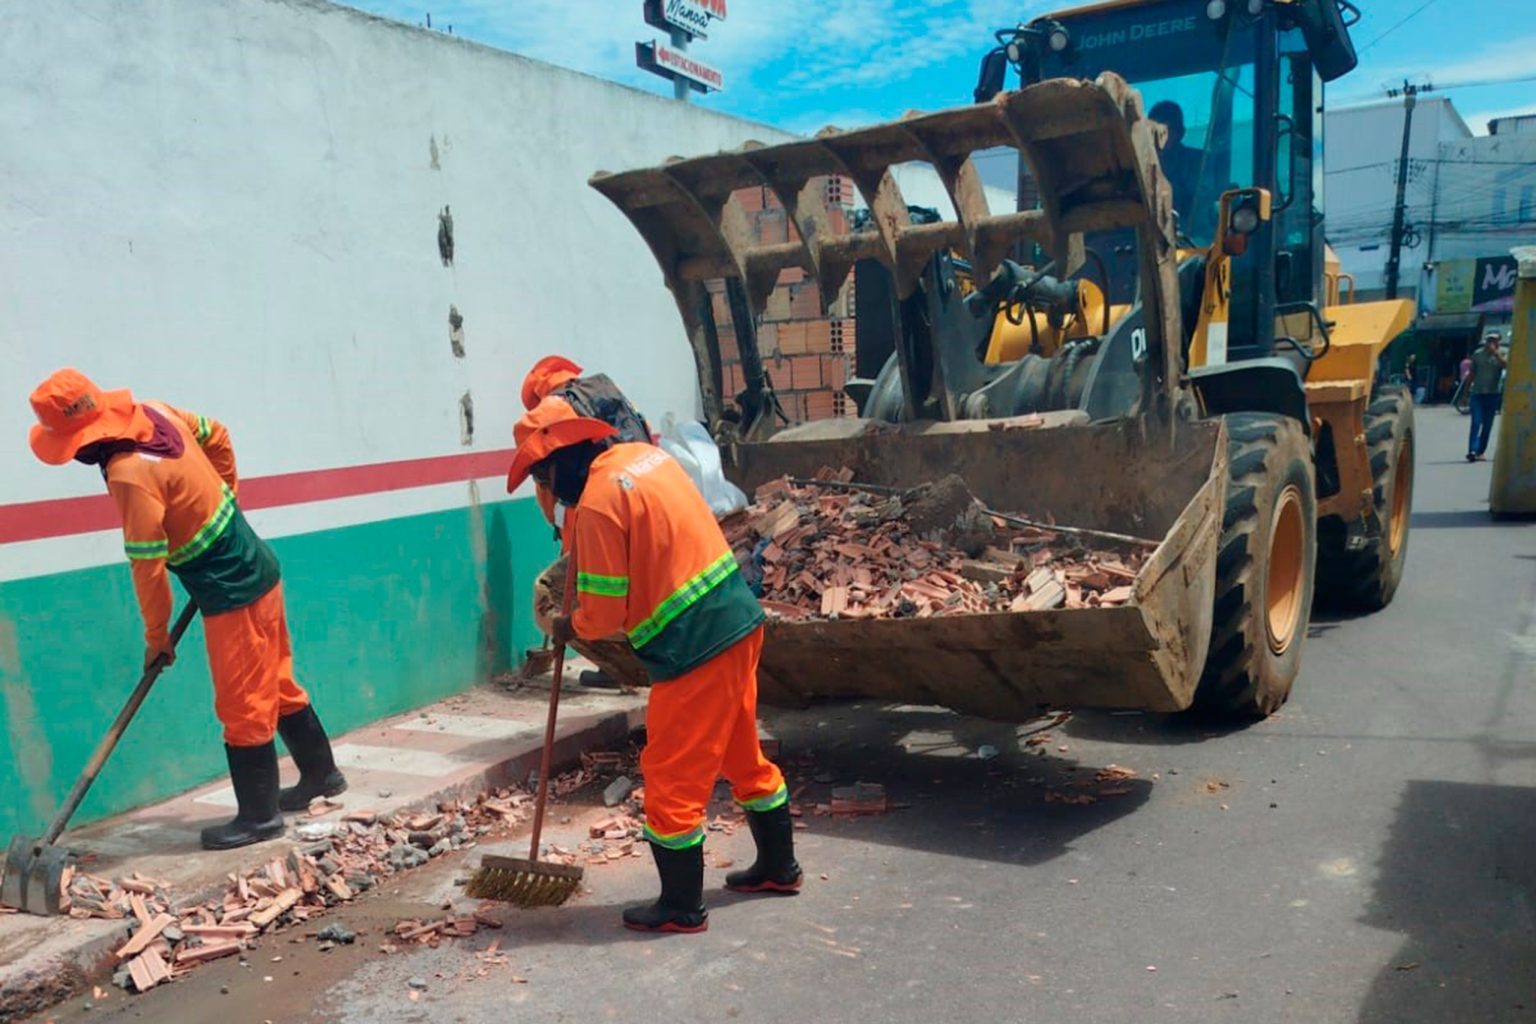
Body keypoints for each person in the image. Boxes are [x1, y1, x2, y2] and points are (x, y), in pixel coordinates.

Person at [506, 400, 800, 934]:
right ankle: (780, 868)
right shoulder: (643, 458)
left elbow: (601, 616)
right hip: (736, 619)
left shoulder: (595, 504)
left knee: (669, 776)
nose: (546, 490)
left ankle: (681, 907)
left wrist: (567, 624)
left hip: (694, 645)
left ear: (562, 461)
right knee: (741, 753)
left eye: (543, 476)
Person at [26, 369, 347, 850]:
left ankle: (259, 818)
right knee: (276, 683)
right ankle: (321, 776)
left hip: (231, 590)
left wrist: (157, 638)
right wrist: (225, 499)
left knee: (242, 705)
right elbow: (218, 435)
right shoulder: (154, 411)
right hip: (257, 563)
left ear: (81, 442)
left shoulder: (129, 474)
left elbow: (148, 568)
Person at [519, 355, 652, 536]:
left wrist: (557, 521)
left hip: (586, 510)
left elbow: (548, 495)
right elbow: (643, 429)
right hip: (642, 487)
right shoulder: (606, 389)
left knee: (586, 563)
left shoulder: (547, 414)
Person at [1148, 100, 1203, 232]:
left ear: (1181, 133)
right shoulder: (1134, 170)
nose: (1160, 137)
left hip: (1194, 244)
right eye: (1153, 131)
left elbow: (1205, 211)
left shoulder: (1202, 164)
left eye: (1167, 130)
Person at [1467, 332, 1507, 461]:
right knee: (1476, 422)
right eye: (1489, 340)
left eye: (1494, 340)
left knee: (1487, 425)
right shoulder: (1478, 354)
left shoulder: (1503, 352)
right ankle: (1472, 450)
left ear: (1498, 342)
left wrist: (1496, 354)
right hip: (1477, 393)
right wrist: (1465, 391)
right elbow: (1472, 373)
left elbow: (1507, 366)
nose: (1491, 343)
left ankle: (1480, 451)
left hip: (1493, 393)